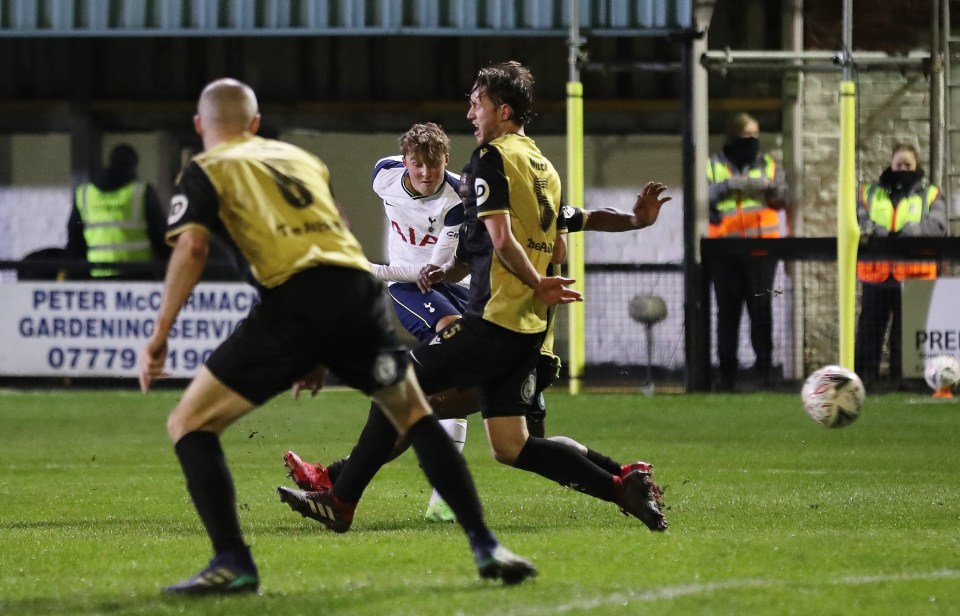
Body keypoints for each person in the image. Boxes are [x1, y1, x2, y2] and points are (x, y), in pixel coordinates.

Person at [138, 77, 537, 595]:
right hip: (355, 295)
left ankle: (232, 562)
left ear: (199, 126)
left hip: (292, 303)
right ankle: (486, 544)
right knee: (413, 415)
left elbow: (190, 250)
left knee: (189, 424)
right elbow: (339, 231)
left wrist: (159, 335)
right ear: (257, 124)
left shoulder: (205, 168)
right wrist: (323, 347)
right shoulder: (300, 160)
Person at [277, 61, 668, 536]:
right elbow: (566, 221)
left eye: (476, 102)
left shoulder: (489, 160)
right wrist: (634, 220)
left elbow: (503, 240)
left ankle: (340, 499)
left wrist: (535, 279)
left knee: (397, 389)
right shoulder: (541, 166)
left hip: (491, 325)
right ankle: (620, 487)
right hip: (527, 333)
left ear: (503, 110)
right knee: (512, 446)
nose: (469, 113)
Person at [282, 192, 673, 523]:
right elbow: (588, 218)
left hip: (515, 350)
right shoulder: (524, 215)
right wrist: (636, 220)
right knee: (520, 446)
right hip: (524, 351)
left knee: (408, 409)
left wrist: (636, 220)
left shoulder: (516, 221)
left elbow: (585, 219)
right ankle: (624, 476)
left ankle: (333, 485)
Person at [362, 121, 470, 523]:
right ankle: (443, 491)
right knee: (454, 347)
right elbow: (415, 277)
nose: (425, 173)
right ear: (405, 161)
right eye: (417, 164)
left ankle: (440, 490)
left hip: (447, 282)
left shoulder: (459, 197)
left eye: (434, 165)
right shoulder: (383, 175)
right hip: (411, 289)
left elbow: (437, 267)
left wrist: (370, 270)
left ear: (446, 161)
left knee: (457, 374)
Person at [707, 112, 790, 391]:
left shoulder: (768, 163)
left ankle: (765, 371)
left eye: (756, 135)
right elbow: (702, 195)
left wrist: (767, 189)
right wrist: (728, 186)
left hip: (762, 250)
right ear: (732, 136)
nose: (752, 141)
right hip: (725, 251)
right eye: (746, 137)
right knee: (727, 314)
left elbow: (783, 196)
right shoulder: (713, 165)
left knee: (761, 310)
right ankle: (726, 374)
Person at [855, 143, 947, 386]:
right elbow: (860, 221)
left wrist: (906, 232)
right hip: (877, 274)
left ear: (917, 166)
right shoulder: (870, 193)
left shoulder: (932, 194)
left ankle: (906, 382)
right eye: (898, 164)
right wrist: (882, 232)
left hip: (915, 277)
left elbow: (937, 227)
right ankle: (865, 380)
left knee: (907, 335)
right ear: (890, 164)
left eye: (908, 165)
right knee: (869, 332)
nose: (903, 168)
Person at [66, 143, 170, 278]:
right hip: (138, 275)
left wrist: (75, 274)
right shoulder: (140, 192)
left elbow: (75, 238)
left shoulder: (85, 194)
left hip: (97, 274)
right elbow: (159, 235)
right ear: (134, 166)